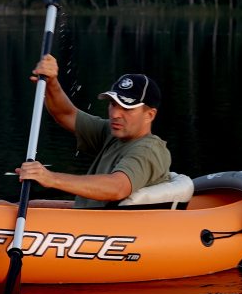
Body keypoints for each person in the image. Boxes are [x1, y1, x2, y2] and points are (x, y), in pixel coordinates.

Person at [15, 55, 170, 208]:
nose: (115, 114)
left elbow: (117, 187)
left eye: (126, 108)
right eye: (113, 104)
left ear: (149, 115)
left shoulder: (148, 150)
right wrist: (52, 83)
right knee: (8, 206)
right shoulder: (114, 132)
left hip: (108, 226)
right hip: (92, 215)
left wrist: (51, 178)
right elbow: (66, 114)